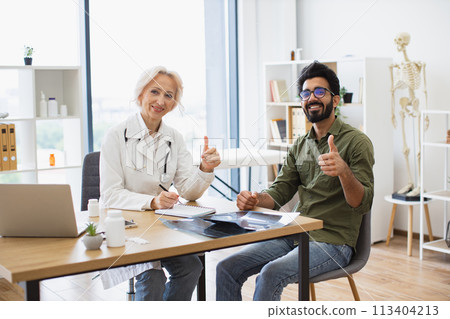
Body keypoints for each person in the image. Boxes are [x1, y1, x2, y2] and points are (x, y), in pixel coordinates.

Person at [216, 61, 374, 301]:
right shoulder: (300, 145)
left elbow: (361, 204)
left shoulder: (357, 142)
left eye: (320, 92)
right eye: (306, 93)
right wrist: (255, 199)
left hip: (333, 242)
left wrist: (343, 171)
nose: (312, 98)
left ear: (335, 100)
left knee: (270, 274)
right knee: (226, 267)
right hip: (293, 234)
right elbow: (279, 192)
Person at [99, 66, 221, 301]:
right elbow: (110, 195)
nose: (161, 101)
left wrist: (205, 169)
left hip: (162, 227)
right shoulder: (116, 135)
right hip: (128, 227)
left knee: (191, 267)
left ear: (175, 103)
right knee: (152, 277)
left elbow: (188, 190)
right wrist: (152, 201)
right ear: (140, 95)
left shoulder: (174, 137)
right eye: (154, 91)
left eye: (169, 95)